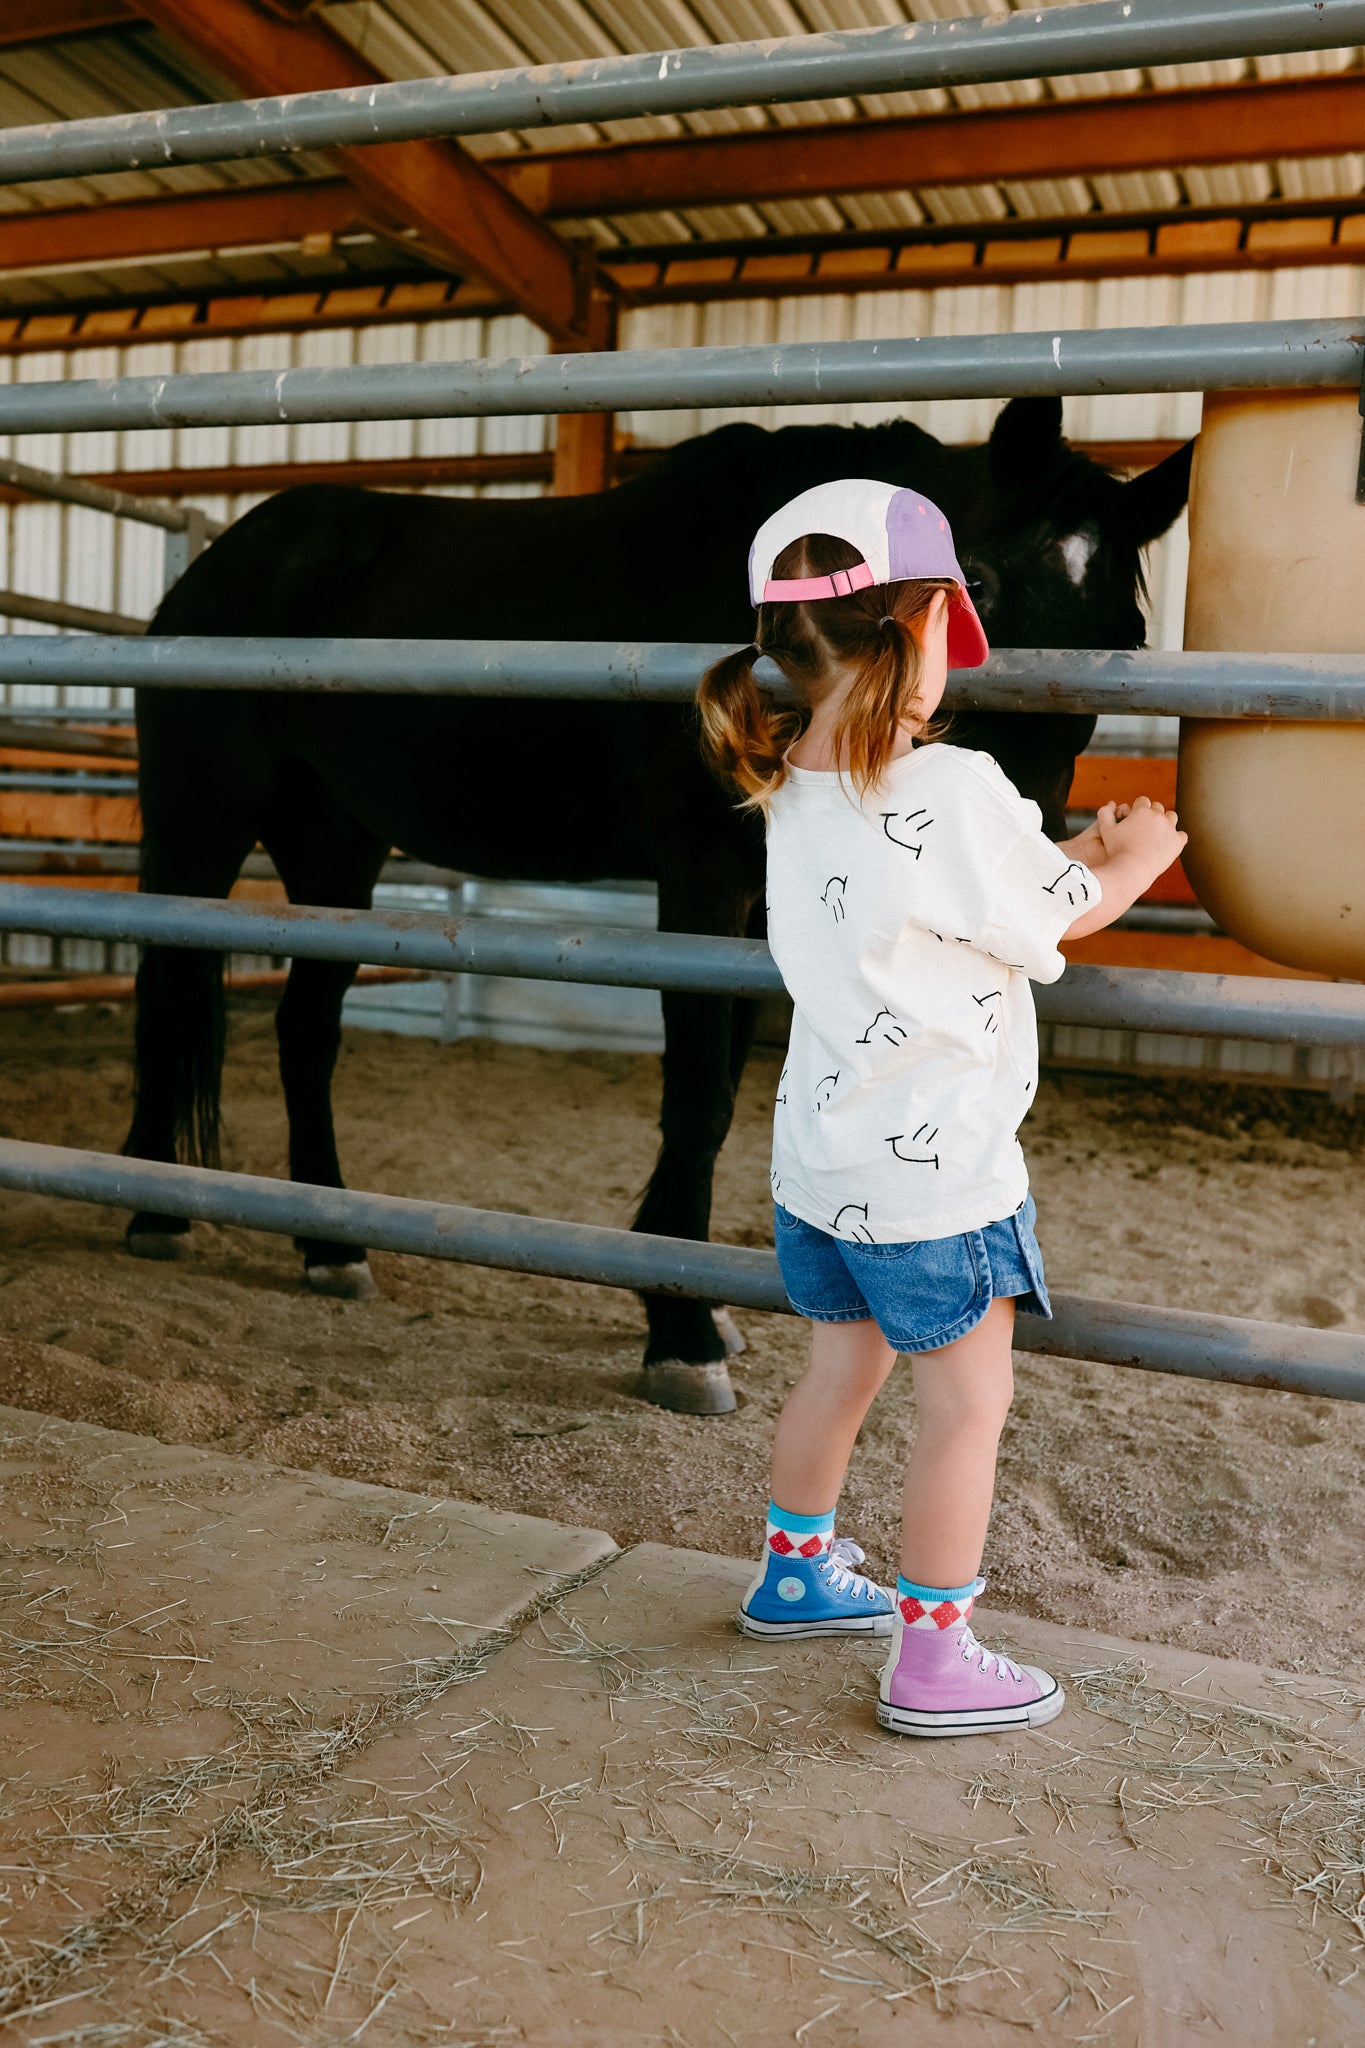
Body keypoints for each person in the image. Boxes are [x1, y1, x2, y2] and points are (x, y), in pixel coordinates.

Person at [696, 479, 1186, 1739]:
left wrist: (1056, 849)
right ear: (921, 626)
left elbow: (920, 891)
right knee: (968, 1407)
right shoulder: (959, 783)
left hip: (823, 1163)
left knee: (838, 1371)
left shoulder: (783, 779)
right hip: (936, 1184)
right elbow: (1049, 911)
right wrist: (1129, 853)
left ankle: (797, 1572)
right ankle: (934, 1654)